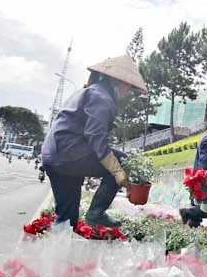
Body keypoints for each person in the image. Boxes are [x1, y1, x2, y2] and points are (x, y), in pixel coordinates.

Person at [40, 56, 150, 230]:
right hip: (69, 154)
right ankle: (96, 213)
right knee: (122, 160)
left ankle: (55, 253)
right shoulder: (102, 97)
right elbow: (95, 137)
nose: (127, 92)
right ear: (118, 82)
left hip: (53, 157)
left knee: (67, 220)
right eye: (128, 87)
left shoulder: (90, 91)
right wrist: (118, 171)